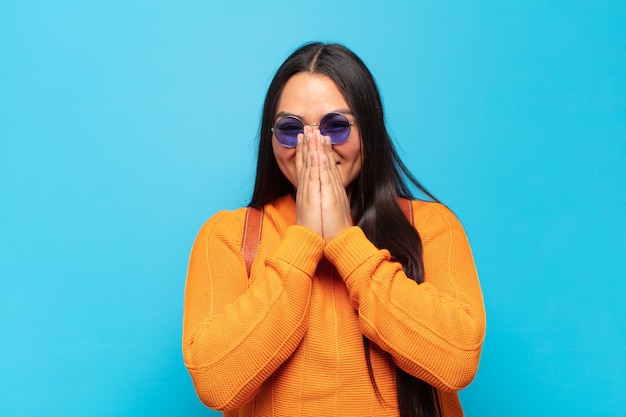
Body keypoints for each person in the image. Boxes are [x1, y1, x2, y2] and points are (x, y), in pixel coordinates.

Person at [182, 42, 486, 417]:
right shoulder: (229, 236)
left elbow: (457, 360)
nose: (314, 147)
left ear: (369, 130)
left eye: (336, 126)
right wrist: (304, 242)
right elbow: (215, 382)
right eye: (292, 129)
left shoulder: (431, 227)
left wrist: (346, 242)